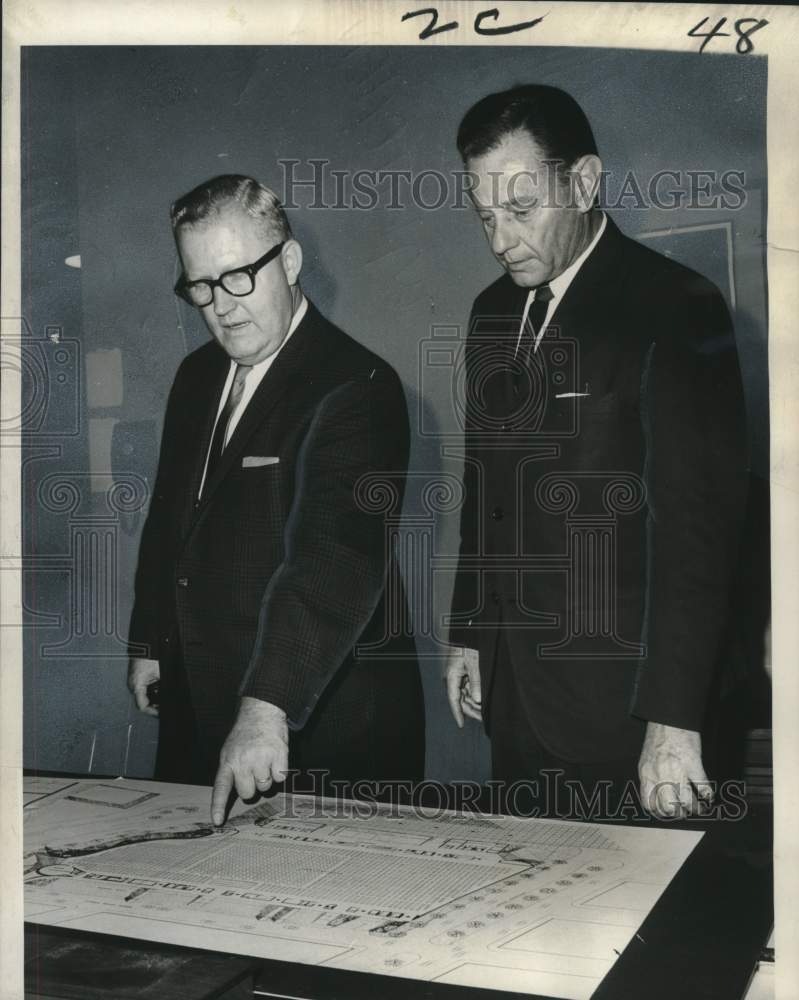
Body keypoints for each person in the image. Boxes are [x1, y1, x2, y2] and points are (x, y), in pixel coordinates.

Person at [445, 86, 748, 820]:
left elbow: (697, 538)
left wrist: (673, 723)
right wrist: (468, 633)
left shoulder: (675, 304)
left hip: (630, 714)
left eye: (521, 211)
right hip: (515, 693)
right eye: (485, 215)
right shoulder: (491, 313)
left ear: (582, 182)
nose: (500, 239)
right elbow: (486, 488)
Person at [127, 174, 424, 824]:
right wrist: (149, 638)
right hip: (202, 699)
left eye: (239, 277)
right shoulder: (195, 375)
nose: (221, 306)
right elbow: (172, 517)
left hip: (320, 722)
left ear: (288, 262)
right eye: (199, 286)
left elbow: (334, 558)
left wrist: (266, 707)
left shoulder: (357, 385)